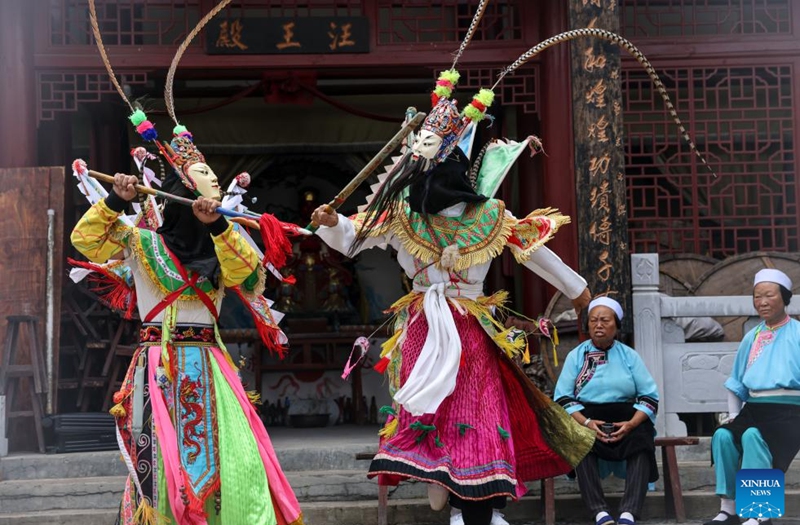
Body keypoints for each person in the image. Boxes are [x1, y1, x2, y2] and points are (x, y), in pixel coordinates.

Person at [311, 73, 594, 524]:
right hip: (425, 325)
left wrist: (578, 290)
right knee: (435, 411)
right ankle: (448, 492)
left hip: (471, 325)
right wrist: (330, 222)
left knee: (479, 410)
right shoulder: (400, 213)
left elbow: (533, 251)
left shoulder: (490, 215)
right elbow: (351, 240)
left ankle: (482, 501)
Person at [704, 269, 800, 525]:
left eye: (769, 295)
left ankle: (761, 511)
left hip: (790, 412)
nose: (762, 302)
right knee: (724, 435)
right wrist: (734, 416)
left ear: (785, 298)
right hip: (755, 408)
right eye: (757, 296)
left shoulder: (798, 333)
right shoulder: (752, 336)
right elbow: (735, 384)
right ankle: (729, 508)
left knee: (753, 437)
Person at [554, 297, 660, 525]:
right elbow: (563, 397)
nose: (598, 325)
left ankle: (629, 512)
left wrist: (632, 423)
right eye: (593, 321)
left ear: (617, 326)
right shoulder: (576, 356)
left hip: (626, 416)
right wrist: (586, 422)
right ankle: (599, 512)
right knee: (579, 440)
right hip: (587, 416)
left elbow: (650, 396)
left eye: (604, 320)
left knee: (642, 438)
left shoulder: (629, 356)